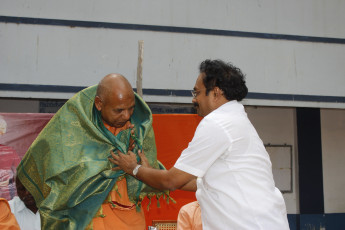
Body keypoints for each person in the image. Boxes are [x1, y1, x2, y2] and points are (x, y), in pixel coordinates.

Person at [110, 59, 290, 229]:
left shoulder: (218, 123)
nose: (194, 99)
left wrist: (133, 168)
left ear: (216, 93)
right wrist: (149, 174)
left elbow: (172, 180)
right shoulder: (236, 120)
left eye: (196, 92)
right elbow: (200, 183)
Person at [17, 74, 168, 229]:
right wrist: (110, 163)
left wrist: (135, 160)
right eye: (119, 110)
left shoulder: (138, 129)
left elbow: (152, 181)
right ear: (99, 104)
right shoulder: (74, 126)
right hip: (87, 218)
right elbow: (57, 172)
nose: (127, 115)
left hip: (130, 217)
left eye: (131, 109)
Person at [0, 116, 21, 200]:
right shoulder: (10, 151)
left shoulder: (10, 151)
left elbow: (20, 171)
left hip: (8, 192)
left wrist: (9, 181)